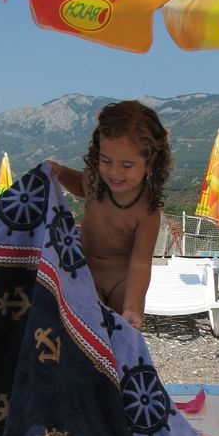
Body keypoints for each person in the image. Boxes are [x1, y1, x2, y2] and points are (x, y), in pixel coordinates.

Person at [48, 100, 172, 330]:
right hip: (86, 272)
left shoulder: (147, 210)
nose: (114, 172)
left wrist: (133, 306)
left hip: (122, 281)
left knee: (119, 333)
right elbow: (80, 184)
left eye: (126, 165)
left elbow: (140, 263)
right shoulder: (94, 181)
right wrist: (60, 172)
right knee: (83, 335)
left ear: (150, 163)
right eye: (106, 161)